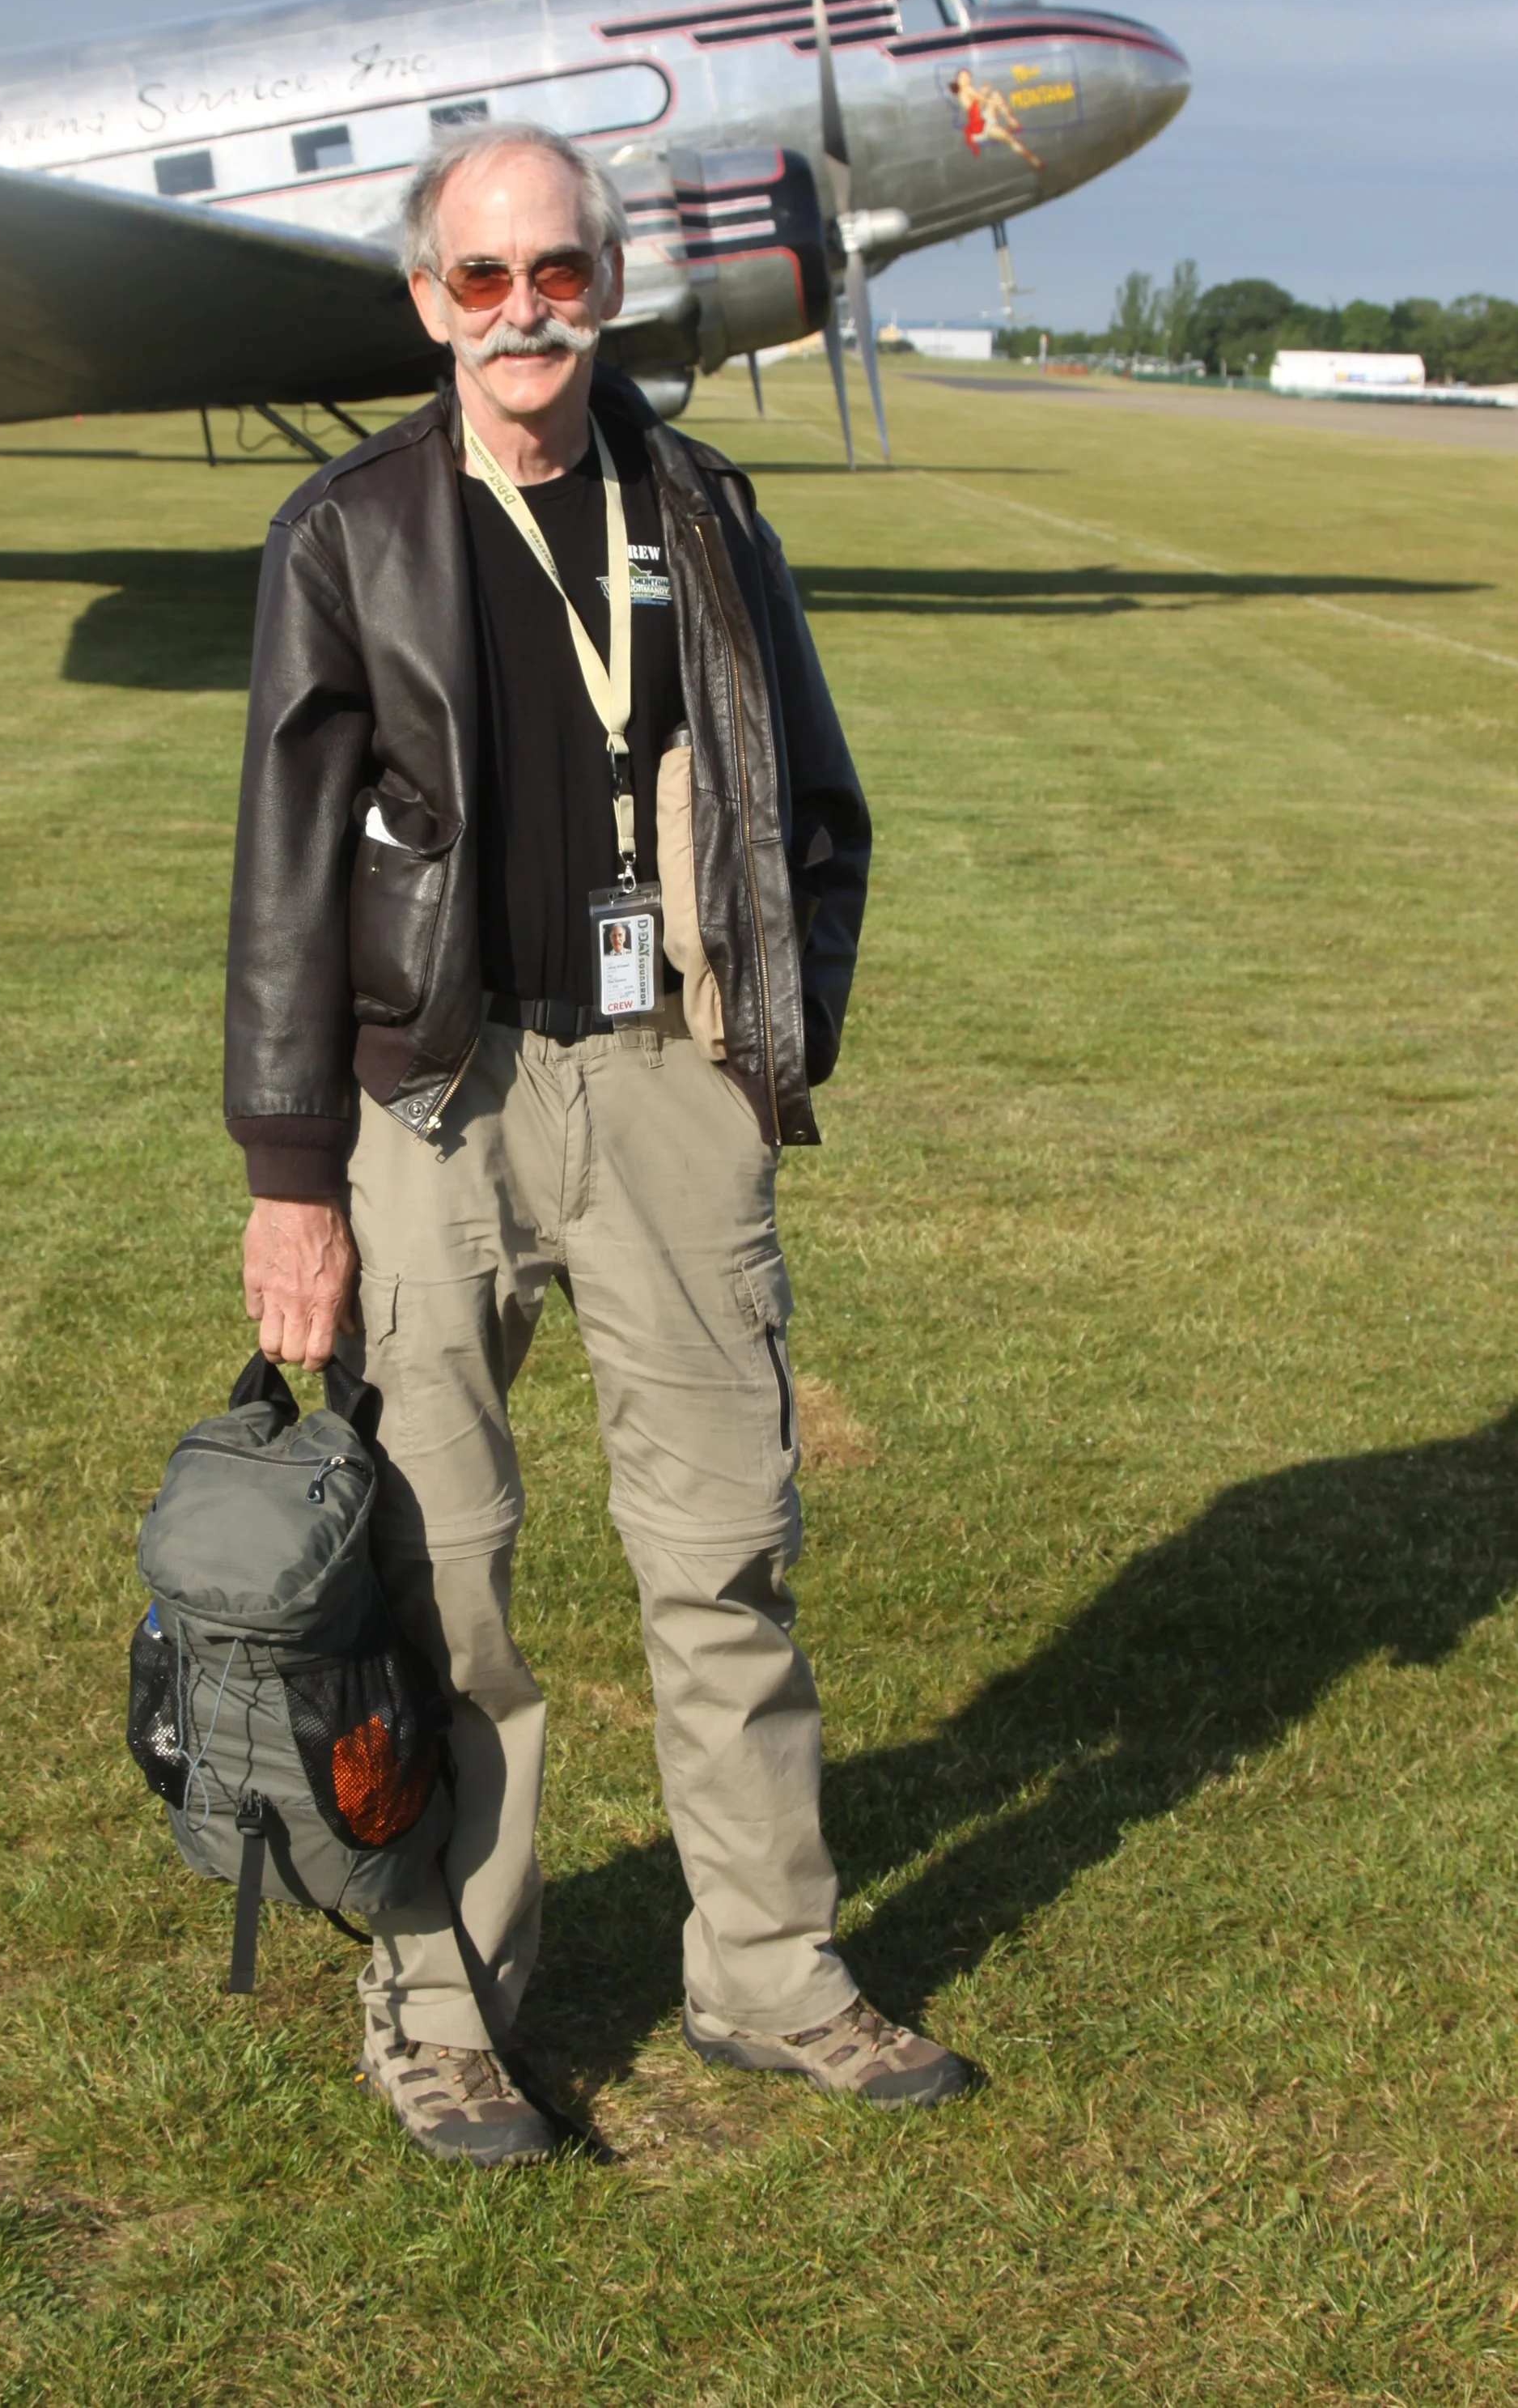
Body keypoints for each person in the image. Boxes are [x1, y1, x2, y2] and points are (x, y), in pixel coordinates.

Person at [226, 121, 977, 2165]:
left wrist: (756, 1054)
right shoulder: (351, 530)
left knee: (724, 1555)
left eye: (557, 271)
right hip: (431, 1104)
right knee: (436, 1579)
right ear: (425, 303)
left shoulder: (703, 507)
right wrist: (293, 1175)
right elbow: (285, 885)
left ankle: (770, 1977)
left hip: (663, 1083)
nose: (524, 312)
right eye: (482, 280)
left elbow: (815, 816)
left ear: (608, 281)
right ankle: (443, 2011)